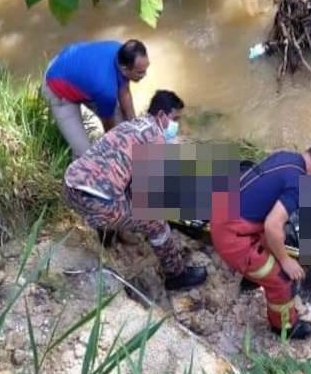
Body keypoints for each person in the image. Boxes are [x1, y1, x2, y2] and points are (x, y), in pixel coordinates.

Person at [61, 90, 207, 292]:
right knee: (156, 222)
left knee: (123, 193)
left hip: (70, 187)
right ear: (162, 116)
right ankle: (177, 275)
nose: (176, 125)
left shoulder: (130, 126)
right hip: (99, 202)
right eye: (175, 119)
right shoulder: (154, 135)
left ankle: (108, 237)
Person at [210, 140, 311, 341]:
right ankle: (284, 327)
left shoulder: (285, 157)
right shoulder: (298, 183)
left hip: (225, 213)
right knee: (284, 281)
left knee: (275, 251)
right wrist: (286, 261)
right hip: (233, 236)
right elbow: (272, 225)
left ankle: (252, 278)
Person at [43, 39, 150, 158]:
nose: (145, 75)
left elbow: (124, 92)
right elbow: (109, 128)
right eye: (140, 72)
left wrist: (134, 127)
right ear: (125, 69)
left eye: (146, 69)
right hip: (57, 86)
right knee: (85, 154)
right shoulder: (106, 90)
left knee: (123, 126)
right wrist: (117, 149)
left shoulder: (121, 52)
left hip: (79, 73)